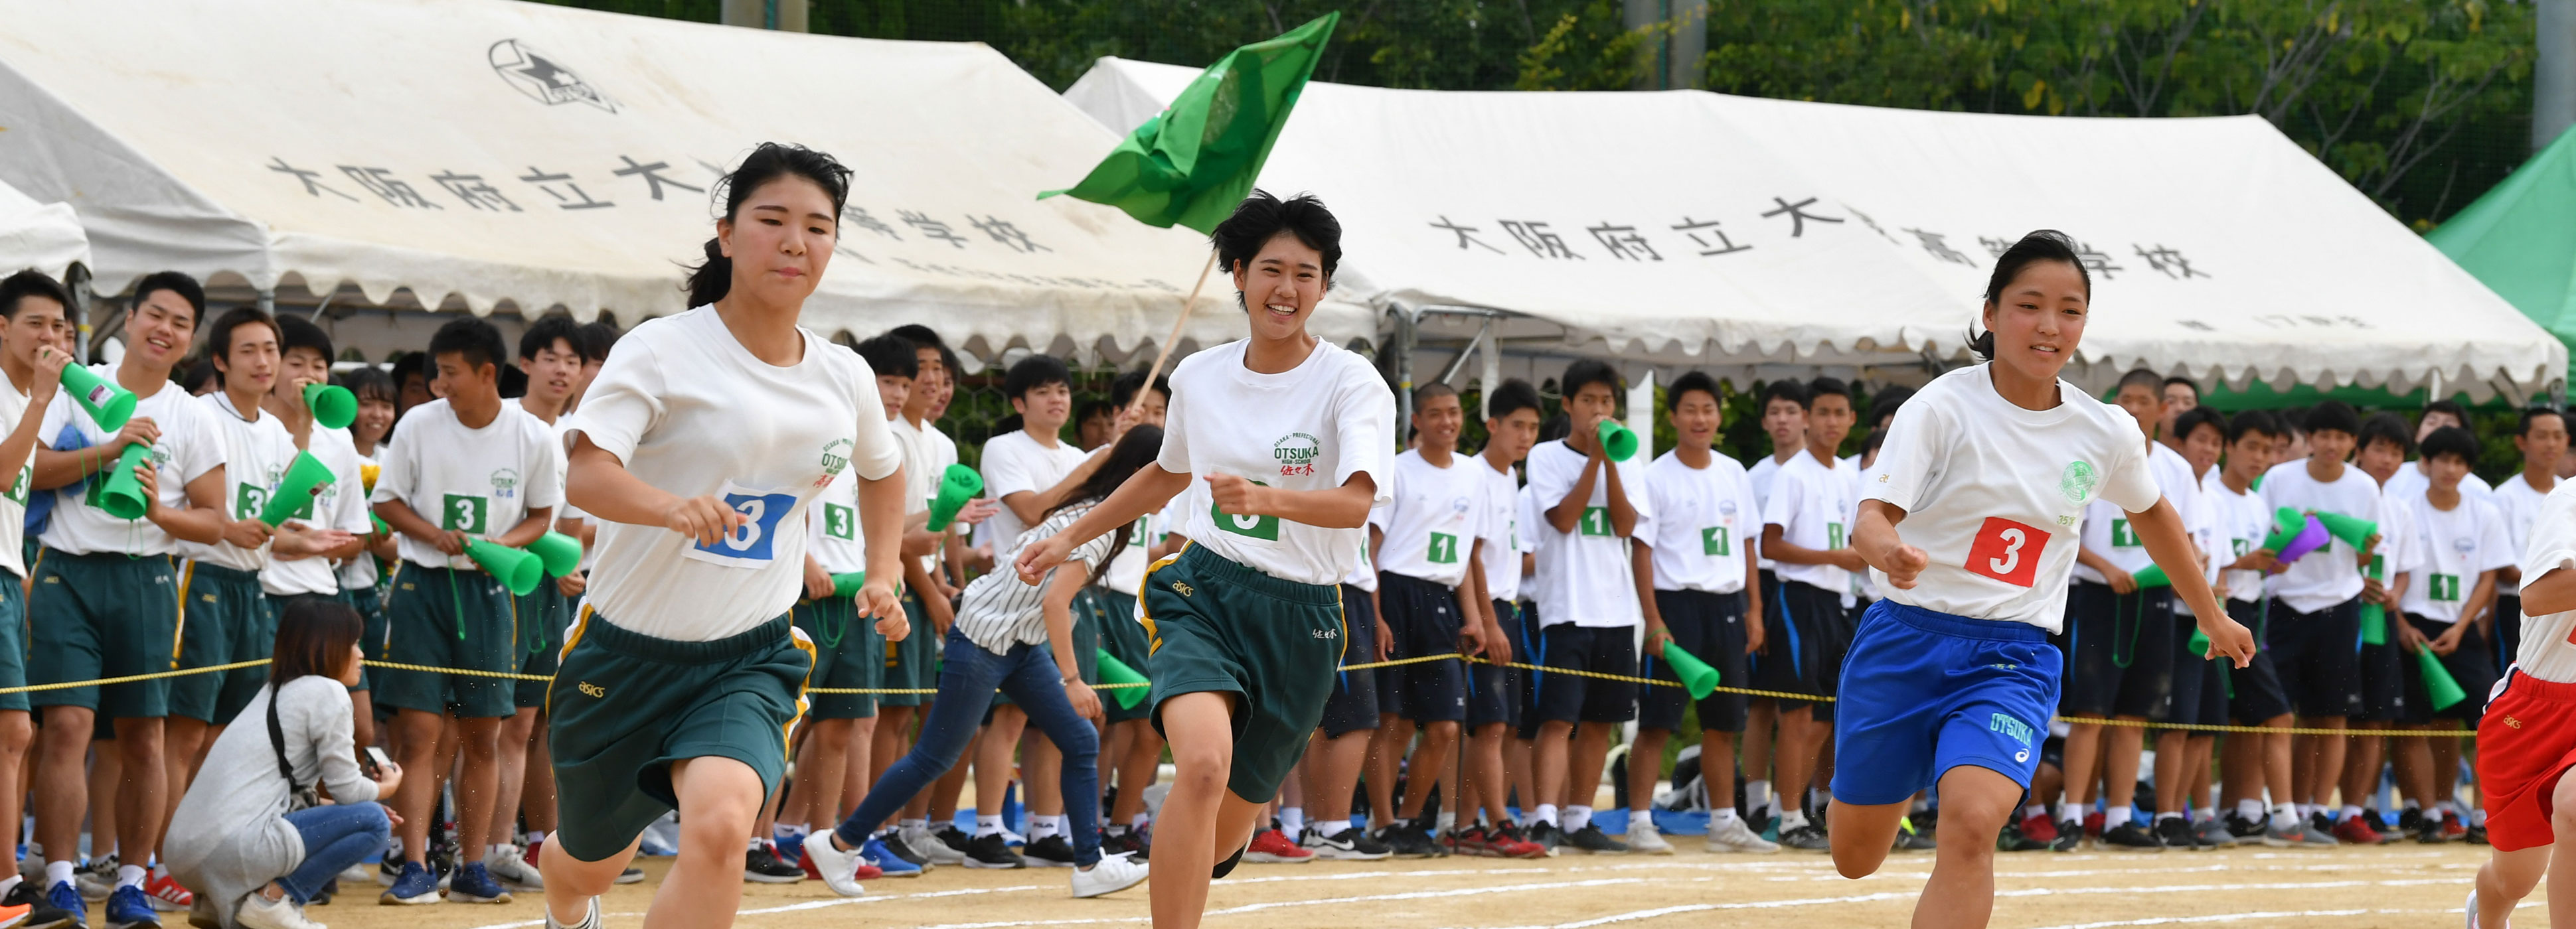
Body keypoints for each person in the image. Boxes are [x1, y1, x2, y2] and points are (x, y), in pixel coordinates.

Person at [1828, 230, 2255, 929]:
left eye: (2070, 310)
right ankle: (1890, 775)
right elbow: (1871, 516)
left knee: (1972, 823)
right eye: (2029, 306)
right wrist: (1889, 551)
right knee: (1854, 855)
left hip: (2012, 655)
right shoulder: (1939, 408)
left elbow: (2153, 513)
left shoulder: (2104, 430)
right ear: (1991, 313)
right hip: (1905, 639)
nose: (2050, 325)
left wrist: (2210, 613)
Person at [535, 143, 910, 929]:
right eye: (772, 220)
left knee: (722, 824)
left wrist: (883, 571)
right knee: (590, 860)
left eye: (817, 227)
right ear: (728, 234)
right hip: (622, 655)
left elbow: (883, 470)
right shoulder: (661, 349)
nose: (795, 242)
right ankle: (568, 901)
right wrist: (668, 506)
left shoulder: (843, 375)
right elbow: (587, 475)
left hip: (749, 655)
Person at [1011, 190, 1394, 929]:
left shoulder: (1352, 383)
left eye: (1306, 274)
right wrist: (1068, 536)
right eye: (1271, 270)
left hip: (1304, 616)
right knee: (1203, 763)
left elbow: (1355, 503)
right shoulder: (1197, 375)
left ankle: (1220, 833)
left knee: (1219, 831)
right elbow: (1165, 474)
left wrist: (1266, 498)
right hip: (1204, 591)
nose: (1286, 289)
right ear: (1240, 274)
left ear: (1324, 286)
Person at [808, 427, 1162, 899]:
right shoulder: (1096, 524)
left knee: (1080, 740)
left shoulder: (1098, 516)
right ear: (1140, 474)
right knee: (934, 756)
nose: (1173, 488)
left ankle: (1089, 864)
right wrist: (1073, 679)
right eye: (1166, 475)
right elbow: (1056, 603)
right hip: (981, 637)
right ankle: (840, 843)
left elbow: (1048, 599)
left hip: (1017, 641)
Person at [28, 270, 229, 929]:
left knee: (145, 735)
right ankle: (62, 879)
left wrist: (158, 511)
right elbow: (30, 469)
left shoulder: (193, 415)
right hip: (67, 573)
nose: (164, 329)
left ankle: (133, 883)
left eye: (180, 323)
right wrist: (108, 450)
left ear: (190, 339)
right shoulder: (76, 384)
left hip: (148, 580)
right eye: (155, 314)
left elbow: (214, 520)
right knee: (67, 727)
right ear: (132, 318)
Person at [370, 316, 562, 906]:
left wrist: (502, 545)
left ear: (486, 374)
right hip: (422, 587)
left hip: (491, 593)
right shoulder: (419, 424)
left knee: (484, 734)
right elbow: (387, 502)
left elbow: (541, 516)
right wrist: (433, 535)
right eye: (438, 372)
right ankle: (415, 865)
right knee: (419, 733)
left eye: (451, 372)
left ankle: (473, 866)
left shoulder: (531, 435)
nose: (440, 384)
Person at [765, 333, 914, 883]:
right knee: (783, 720)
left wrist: (886, 573)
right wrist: (804, 560)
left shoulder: (881, 453)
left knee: (841, 725)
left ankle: (820, 841)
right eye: (885, 382)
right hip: (807, 598)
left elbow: (883, 527)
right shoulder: (812, 432)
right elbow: (781, 501)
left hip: (856, 602)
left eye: (903, 384)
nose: (894, 394)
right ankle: (760, 838)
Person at [166, 598, 399, 929]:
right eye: (353, 643)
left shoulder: (274, 692)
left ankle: (217, 903)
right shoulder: (328, 692)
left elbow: (284, 797)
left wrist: (348, 815)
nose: (361, 654)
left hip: (183, 857)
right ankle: (270, 902)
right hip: (228, 850)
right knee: (374, 821)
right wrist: (386, 788)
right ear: (327, 646)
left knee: (366, 815)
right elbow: (348, 791)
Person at [2057, 368, 2202, 851]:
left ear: (2163, 410)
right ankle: (2073, 815)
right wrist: (2106, 568)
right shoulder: (2090, 455)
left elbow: (2185, 539)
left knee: (2134, 713)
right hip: (2099, 595)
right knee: (2090, 710)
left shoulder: (2177, 469)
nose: (2133, 409)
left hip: (2154, 600)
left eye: (2143, 401)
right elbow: (2064, 528)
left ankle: (2119, 816)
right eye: (2125, 399)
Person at [1636, 371, 1775, 854]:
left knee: (1724, 722)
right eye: (1690, 410)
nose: (1700, 419)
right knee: (1658, 721)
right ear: (1673, 417)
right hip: (1676, 605)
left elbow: (1749, 545)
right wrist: (1653, 619)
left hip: (1728, 607)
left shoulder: (1734, 472)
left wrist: (1755, 610)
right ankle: (1638, 821)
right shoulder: (1655, 476)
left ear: (1719, 416)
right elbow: (1642, 551)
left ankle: (1723, 822)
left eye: (1708, 409)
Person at [477, 313, 591, 891]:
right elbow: (500, 516)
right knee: (489, 721)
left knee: (531, 720)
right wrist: (549, 555)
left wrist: (563, 563)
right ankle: (471, 845)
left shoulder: (575, 436)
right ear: (525, 364)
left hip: (548, 592)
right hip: (494, 581)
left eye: (573, 361)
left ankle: (512, 844)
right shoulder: (500, 423)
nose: (562, 371)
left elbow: (569, 526)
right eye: (551, 358)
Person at [1524, 359, 1647, 855]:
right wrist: (1594, 460)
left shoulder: (1629, 459)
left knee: (1601, 721)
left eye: (1607, 401)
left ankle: (1580, 817)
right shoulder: (1546, 457)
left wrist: (1610, 460)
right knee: (1559, 719)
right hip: (1567, 609)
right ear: (1570, 405)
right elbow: (1563, 518)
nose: (1599, 410)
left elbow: (1625, 526)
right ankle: (1544, 817)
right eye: (1589, 401)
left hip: (1616, 612)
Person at [1362, 383, 1487, 856]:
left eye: (1453, 412)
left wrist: (1474, 619)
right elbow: (1373, 548)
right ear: (1417, 421)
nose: (1447, 422)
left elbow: (1467, 554)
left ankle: (1412, 819)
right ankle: (1383, 822)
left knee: (1445, 725)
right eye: (1435, 413)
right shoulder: (1397, 470)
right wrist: (1376, 615)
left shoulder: (1473, 474)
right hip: (1396, 591)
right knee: (1392, 720)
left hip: (1442, 599)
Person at [2259, 400, 2384, 841]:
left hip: (2339, 605)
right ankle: (2282, 811)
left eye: (2341, 437)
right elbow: (2265, 539)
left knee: (2332, 717)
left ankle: (2318, 811)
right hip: (2284, 604)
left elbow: (2367, 554)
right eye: (2324, 436)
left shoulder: (2364, 486)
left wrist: (2353, 537)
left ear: (2354, 444)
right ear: (2308, 439)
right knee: (2281, 715)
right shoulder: (2279, 479)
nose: (2332, 444)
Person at [2465, 468, 2576, 928]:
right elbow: (2537, 596)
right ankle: (2486, 915)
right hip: (2534, 707)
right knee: (2513, 880)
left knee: (2574, 806)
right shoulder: (2570, 500)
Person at [255, 317, 374, 741]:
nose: (309, 375)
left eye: (319, 366)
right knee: (269, 726)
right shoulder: (254, 428)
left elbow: (356, 537)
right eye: (297, 363)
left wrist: (313, 546)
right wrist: (287, 541)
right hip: (262, 593)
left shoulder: (339, 440)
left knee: (356, 729)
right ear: (273, 367)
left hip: (320, 596)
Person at [0, 271, 76, 928]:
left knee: (13, 732)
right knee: (12, 731)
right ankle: (5, 887)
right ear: (2, 327)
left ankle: (7, 884)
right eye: (36, 324)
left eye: (61, 327)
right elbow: (3, 473)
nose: (50, 337)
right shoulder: (21, 398)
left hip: (8, 575)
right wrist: (42, 403)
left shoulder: (25, 397)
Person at [2201, 411, 2316, 846]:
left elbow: (2256, 562)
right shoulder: (2208, 496)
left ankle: (2244, 811)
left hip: (2251, 613)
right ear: (2229, 447)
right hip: (2219, 612)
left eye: (2268, 450)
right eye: (2251, 446)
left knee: (2246, 719)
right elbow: (2203, 560)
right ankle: (2284, 819)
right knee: (2276, 715)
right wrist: (2244, 563)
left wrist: (2274, 562)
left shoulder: (2256, 503)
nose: (2260, 458)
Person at [1758, 376, 1860, 851]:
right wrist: (1832, 557)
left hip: (1836, 602)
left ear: (1851, 420)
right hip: (1798, 599)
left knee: (1824, 716)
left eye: (1840, 413)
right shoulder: (1793, 474)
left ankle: (1800, 808)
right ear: (1807, 419)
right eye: (1822, 413)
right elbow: (1771, 544)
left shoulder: (1849, 476)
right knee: (1796, 713)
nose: (1831, 422)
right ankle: (1787, 818)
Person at [2395, 425, 2509, 840]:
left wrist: (2463, 627)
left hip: (2461, 627)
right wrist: (2403, 627)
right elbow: (2394, 576)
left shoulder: (2485, 514)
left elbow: (2488, 577)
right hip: (2412, 626)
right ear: (2426, 462)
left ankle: (2483, 817)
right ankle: (2430, 815)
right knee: (2413, 724)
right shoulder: (2405, 510)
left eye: (2460, 462)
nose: (2450, 469)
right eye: (2443, 459)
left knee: (2491, 718)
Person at [1453, 378, 1544, 860]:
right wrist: (1486, 621)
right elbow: (1470, 555)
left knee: (1504, 726)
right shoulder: (1474, 474)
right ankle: (1497, 823)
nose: (1525, 436)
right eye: (1517, 426)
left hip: (1509, 609)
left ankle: (1468, 825)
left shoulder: (1511, 477)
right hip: (1485, 611)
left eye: (1533, 427)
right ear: (1492, 425)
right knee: (1488, 725)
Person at [1093, 368, 1169, 861]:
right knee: (1095, 719)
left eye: (1164, 413)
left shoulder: (1161, 471)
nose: (1156, 421)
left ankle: (1121, 825)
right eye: (1147, 412)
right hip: (1094, 598)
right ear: (1121, 415)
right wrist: (1113, 447)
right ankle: (1082, 824)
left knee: (1147, 722)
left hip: (1134, 605)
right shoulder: (1093, 462)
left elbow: (1153, 537)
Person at [2342, 412, 2425, 845]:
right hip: (2338, 615)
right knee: (2330, 715)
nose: (2387, 459)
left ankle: (2356, 811)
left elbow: (2405, 569)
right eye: (2379, 449)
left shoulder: (2400, 508)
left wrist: (2395, 595)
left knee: (2376, 718)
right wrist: (2351, 585)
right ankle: (2312, 809)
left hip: (2381, 619)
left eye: (2396, 452)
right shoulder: (2341, 496)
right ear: (2359, 450)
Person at [1742, 378, 1807, 835]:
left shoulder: (1823, 470)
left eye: (1791, 411)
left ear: (1805, 418)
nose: (1783, 420)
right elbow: (1749, 544)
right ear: (1764, 422)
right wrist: (1755, 608)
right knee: (1761, 704)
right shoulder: (1755, 477)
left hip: (1811, 590)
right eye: (1775, 412)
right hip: (1763, 586)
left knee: (1804, 707)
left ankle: (1798, 804)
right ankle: (1754, 804)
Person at [2492, 409, 2567, 675]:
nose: (2551, 444)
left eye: (2558, 436)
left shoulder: (2568, 492)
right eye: (2542, 436)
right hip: (2517, 605)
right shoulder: (2504, 497)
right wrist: (2546, 584)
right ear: (2521, 442)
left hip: (2565, 606)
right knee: (2518, 675)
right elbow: (2501, 566)